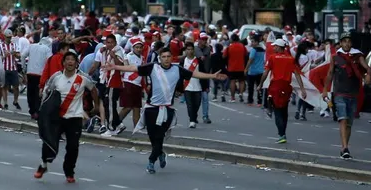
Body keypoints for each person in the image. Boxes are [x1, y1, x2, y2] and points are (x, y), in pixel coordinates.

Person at [105, 47, 227, 174]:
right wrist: (115, 67)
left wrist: (212, 75)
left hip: (167, 110)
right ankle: (160, 153)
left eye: (168, 56)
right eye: (163, 57)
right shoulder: (153, 67)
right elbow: (132, 68)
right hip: (151, 109)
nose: (166, 59)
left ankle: (151, 162)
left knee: (160, 137)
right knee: (153, 138)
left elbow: (195, 74)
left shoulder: (177, 69)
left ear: (172, 58)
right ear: (160, 58)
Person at [35, 51, 98, 183]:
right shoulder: (56, 77)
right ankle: (43, 164)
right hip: (57, 117)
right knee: (49, 142)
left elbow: (93, 89)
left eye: (72, 60)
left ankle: (69, 171)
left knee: (73, 147)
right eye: (67, 59)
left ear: (76, 63)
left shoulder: (83, 78)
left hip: (75, 117)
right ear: (63, 63)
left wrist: (96, 106)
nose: (70, 62)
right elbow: (47, 93)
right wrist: (44, 111)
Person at [322, 32, 370, 160]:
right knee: (342, 119)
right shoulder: (335, 56)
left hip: (353, 93)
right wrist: (325, 90)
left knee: (349, 123)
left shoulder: (357, 55)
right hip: (339, 92)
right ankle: (344, 148)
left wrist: (369, 74)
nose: (347, 44)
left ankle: (345, 145)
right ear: (341, 43)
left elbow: (366, 68)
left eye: (349, 41)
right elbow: (330, 73)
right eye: (344, 41)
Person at [259, 39, 306, 144]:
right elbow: (297, 75)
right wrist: (302, 89)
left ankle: (281, 134)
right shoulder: (291, 59)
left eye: (275, 46)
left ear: (279, 47)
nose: (273, 47)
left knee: (278, 111)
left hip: (275, 86)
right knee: (284, 110)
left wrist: (260, 84)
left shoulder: (272, 58)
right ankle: (283, 133)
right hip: (286, 87)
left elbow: (266, 73)